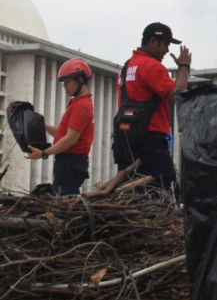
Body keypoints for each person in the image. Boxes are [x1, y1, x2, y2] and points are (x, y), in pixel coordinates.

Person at [112, 22, 191, 191]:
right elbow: (179, 95)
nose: (166, 50)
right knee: (157, 191)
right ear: (153, 41)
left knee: (130, 191)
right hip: (150, 142)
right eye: (165, 44)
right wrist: (184, 67)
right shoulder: (152, 66)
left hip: (124, 141)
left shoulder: (126, 67)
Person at [26, 58, 95, 196]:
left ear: (80, 80)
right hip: (71, 161)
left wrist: (44, 153)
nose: (64, 86)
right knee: (63, 196)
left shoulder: (81, 106)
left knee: (65, 198)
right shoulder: (79, 104)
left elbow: (70, 140)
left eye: (67, 82)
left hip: (71, 160)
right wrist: (43, 126)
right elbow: (64, 134)